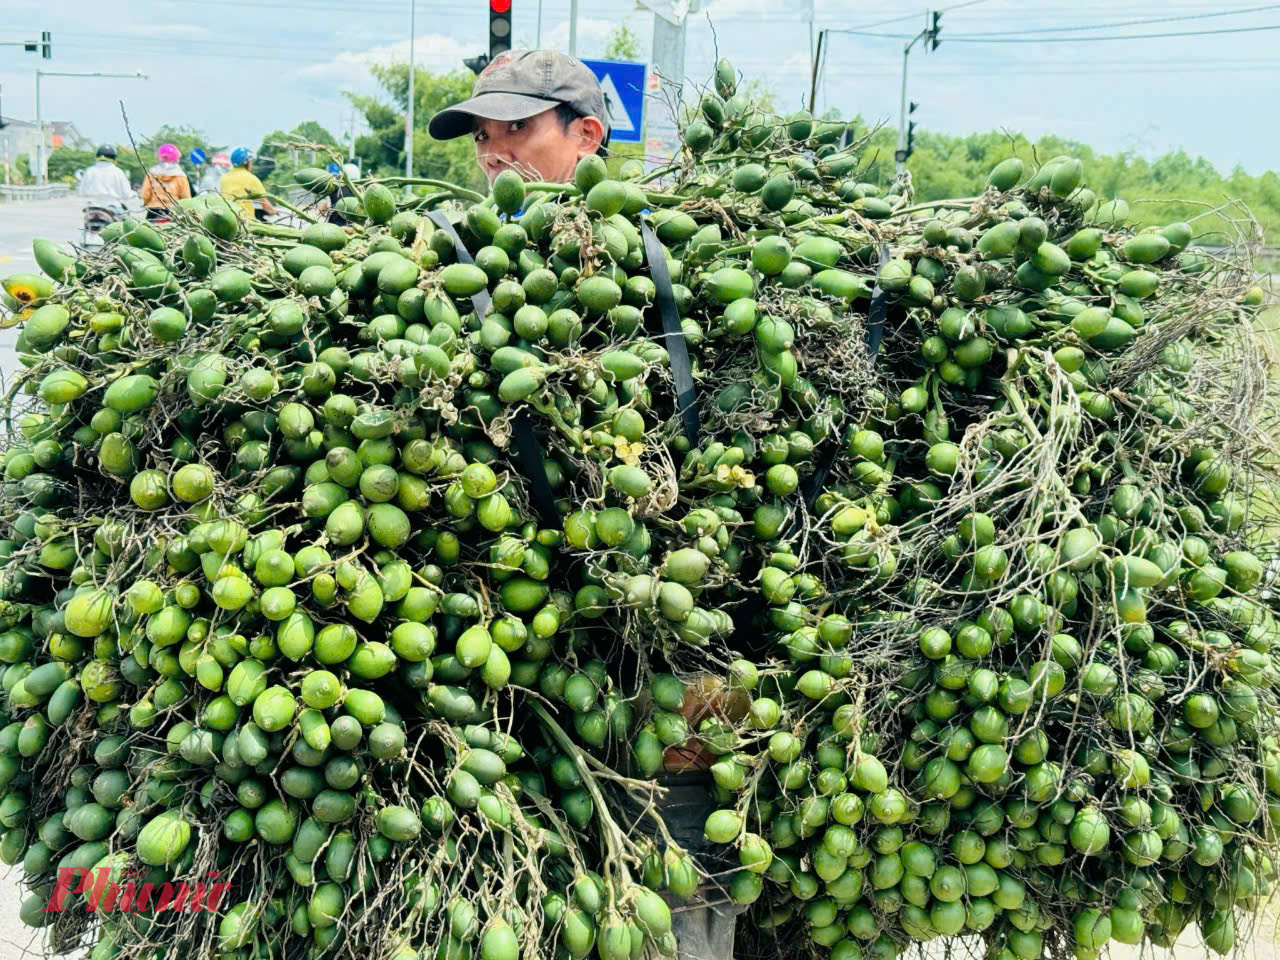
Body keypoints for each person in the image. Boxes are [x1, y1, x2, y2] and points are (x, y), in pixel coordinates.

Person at [429, 49, 609, 184]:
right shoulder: (468, 232)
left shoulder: (633, 232)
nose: (492, 157)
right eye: (482, 136)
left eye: (518, 126)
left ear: (586, 136)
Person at [220, 147, 277, 221]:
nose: (252, 163)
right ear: (246, 162)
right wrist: (273, 211)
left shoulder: (224, 178)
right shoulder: (251, 178)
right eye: (251, 160)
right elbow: (264, 203)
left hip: (227, 219)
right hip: (245, 221)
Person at [140, 143, 191, 220]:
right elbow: (186, 197)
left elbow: (145, 194)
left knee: (149, 231)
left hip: (154, 211)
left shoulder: (152, 173)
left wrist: (146, 203)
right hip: (173, 212)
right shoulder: (181, 175)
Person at [78, 145, 134, 214]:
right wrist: (133, 194)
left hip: (92, 207)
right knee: (127, 220)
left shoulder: (90, 171)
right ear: (114, 157)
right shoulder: (118, 172)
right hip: (113, 207)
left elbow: (82, 192)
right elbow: (126, 194)